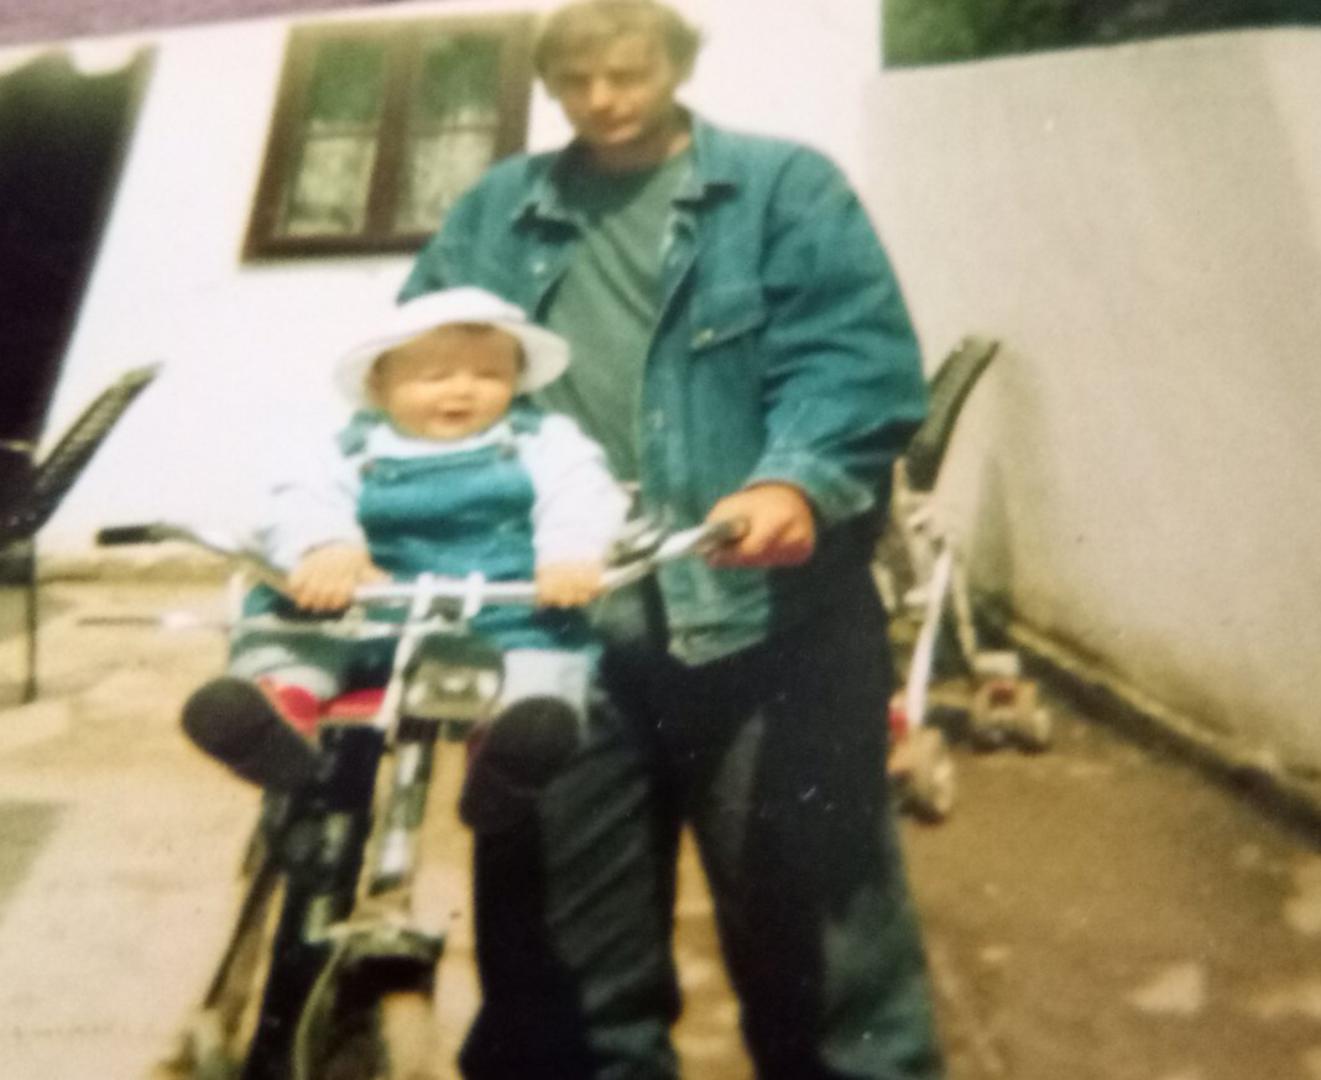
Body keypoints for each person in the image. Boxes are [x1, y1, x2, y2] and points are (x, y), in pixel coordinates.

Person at [401, 2, 945, 1077]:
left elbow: (853, 358)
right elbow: (416, 367)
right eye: (576, 82)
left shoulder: (783, 189)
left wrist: (793, 478)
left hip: (768, 628)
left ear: (678, 64)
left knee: (827, 968)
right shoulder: (498, 211)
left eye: (627, 73)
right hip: (559, 634)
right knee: (561, 981)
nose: (602, 100)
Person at [181, 286, 630, 819]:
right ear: (379, 384)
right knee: (297, 633)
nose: (463, 390)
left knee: (541, 661)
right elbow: (301, 495)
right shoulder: (348, 447)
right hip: (362, 606)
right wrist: (325, 545)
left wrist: (571, 552)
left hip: (497, 608)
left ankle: (507, 758)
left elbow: (581, 492)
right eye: (435, 376)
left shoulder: (544, 440)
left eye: (489, 375)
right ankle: (278, 715)